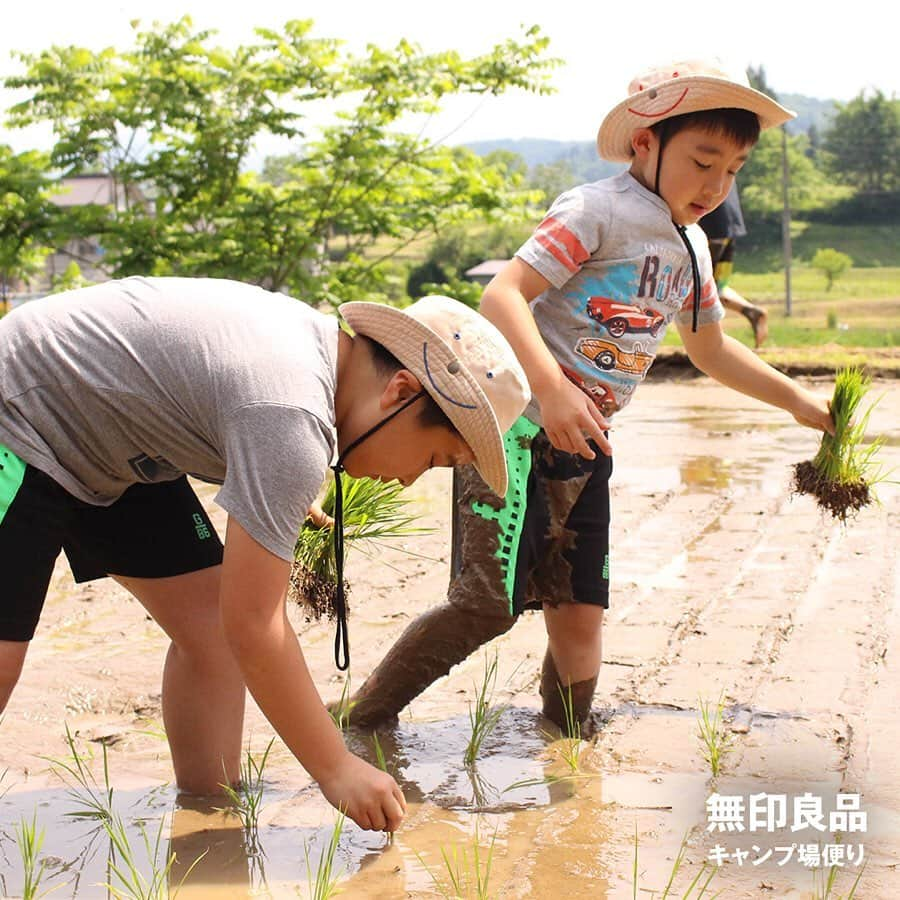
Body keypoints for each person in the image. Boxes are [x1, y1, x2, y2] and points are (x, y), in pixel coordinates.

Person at [345, 58, 834, 733]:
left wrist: (800, 404)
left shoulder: (691, 248)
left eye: (734, 170)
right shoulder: (595, 209)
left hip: (588, 446)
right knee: (487, 603)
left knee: (580, 612)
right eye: (702, 161)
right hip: (513, 433)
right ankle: (362, 718)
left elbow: (710, 348)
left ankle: (571, 737)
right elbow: (504, 294)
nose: (716, 185)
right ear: (645, 142)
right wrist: (554, 388)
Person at [0, 278, 529, 832]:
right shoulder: (290, 414)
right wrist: (335, 767)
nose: (406, 478)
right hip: (23, 411)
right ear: (400, 392)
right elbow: (254, 625)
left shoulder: (310, 370)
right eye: (434, 457)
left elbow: (212, 396)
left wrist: (279, 497)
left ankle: (209, 817)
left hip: (109, 434)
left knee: (206, 633)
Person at [699, 182, 769, 347]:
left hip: (709, 226)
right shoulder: (722, 158)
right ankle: (751, 312)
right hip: (728, 226)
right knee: (716, 286)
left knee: (699, 290)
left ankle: (711, 347)